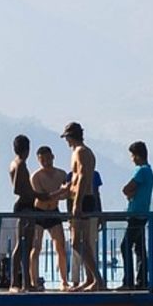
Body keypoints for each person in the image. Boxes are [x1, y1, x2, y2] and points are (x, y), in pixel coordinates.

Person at [62, 122, 104, 291]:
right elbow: (75, 180)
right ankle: (90, 279)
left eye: (67, 138)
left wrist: (77, 204)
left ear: (71, 137)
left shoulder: (80, 152)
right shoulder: (81, 152)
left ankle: (97, 279)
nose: (67, 142)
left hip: (83, 200)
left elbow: (83, 178)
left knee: (78, 242)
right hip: (81, 199)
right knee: (82, 242)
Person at [30, 145, 70, 290]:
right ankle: (34, 281)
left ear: (53, 157)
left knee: (60, 247)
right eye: (42, 160)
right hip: (39, 212)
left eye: (48, 158)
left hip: (54, 212)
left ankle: (64, 281)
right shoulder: (36, 176)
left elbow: (67, 194)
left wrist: (63, 193)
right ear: (39, 160)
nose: (46, 162)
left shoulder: (61, 174)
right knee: (36, 247)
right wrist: (61, 191)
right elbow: (42, 197)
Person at [120, 141, 153, 291]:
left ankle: (128, 281)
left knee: (125, 246)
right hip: (142, 212)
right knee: (140, 249)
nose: (132, 159)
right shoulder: (149, 171)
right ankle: (142, 281)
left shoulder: (141, 171)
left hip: (136, 214)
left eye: (132, 155)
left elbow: (126, 189)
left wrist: (130, 194)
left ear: (138, 155)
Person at [8, 135, 37, 291]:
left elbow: (25, 188)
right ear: (27, 149)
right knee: (23, 244)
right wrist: (35, 194)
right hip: (25, 206)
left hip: (27, 204)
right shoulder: (20, 164)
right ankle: (18, 282)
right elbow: (18, 189)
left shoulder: (16, 163)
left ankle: (25, 282)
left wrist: (38, 194)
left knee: (26, 245)